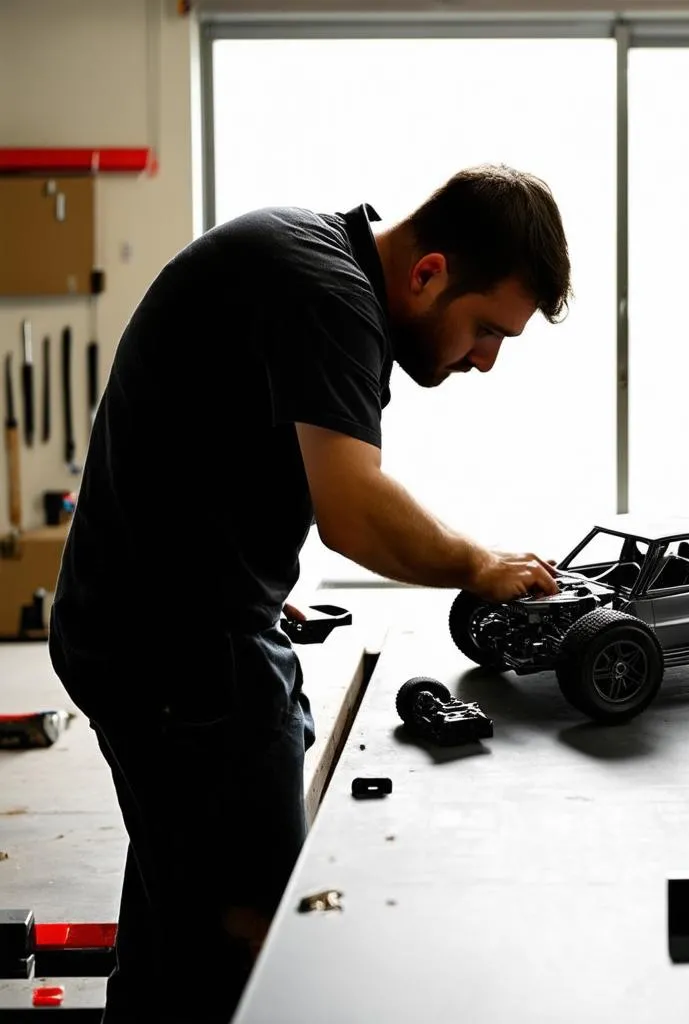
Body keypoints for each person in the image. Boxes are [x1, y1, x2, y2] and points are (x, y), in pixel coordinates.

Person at [47, 163, 572, 1023]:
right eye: (487, 330)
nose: (486, 360)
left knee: (178, 897)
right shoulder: (331, 298)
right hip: (176, 656)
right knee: (254, 938)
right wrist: (479, 564)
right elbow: (353, 513)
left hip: (142, 622)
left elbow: (215, 444)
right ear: (429, 272)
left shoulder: (306, 255)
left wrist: (247, 572)